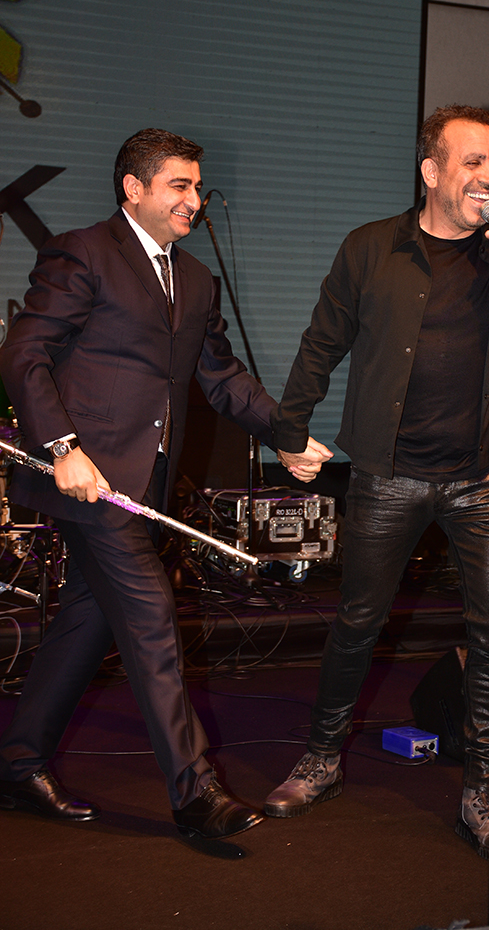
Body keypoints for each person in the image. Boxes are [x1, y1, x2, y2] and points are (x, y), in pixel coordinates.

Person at [264, 104, 489, 864]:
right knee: (357, 623)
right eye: (473, 162)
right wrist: (288, 428)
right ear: (431, 171)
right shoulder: (372, 248)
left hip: (480, 479)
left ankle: (481, 794)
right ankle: (321, 759)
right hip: (389, 473)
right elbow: (322, 341)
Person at [0, 128, 329, 840]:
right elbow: (24, 352)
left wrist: (287, 434)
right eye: (180, 185)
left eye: (197, 188)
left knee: (86, 621)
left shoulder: (197, 278)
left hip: (143, 484)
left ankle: (18, 764)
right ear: (134, 188)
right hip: (88, 477)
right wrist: (62, 447)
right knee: (150, 615)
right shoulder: (84, 251)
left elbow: (222, 376)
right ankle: (195, 793)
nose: (194, 201)